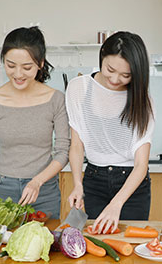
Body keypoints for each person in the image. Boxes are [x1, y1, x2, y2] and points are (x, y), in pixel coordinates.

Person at [0, 26, 70, 219]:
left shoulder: (56, 99)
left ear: (40, 64)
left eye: (26, 67)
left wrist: (37, 181)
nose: (18, 74)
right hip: (3, 191)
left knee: (45, 245)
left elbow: (63, 151)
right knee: (4, 246)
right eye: (10, 65)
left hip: (43, 190)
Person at [66, 31, 154, 233]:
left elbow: (141, 164)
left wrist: (116, 204)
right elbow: (77, 145)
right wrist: (77, 184)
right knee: (100, 244)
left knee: (130, 244)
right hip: (94, 180)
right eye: (110, 69)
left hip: (132, 184)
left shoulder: (142, 100)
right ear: (102, 56)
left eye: (126, 75)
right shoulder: (79, 88)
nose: (115, 79)